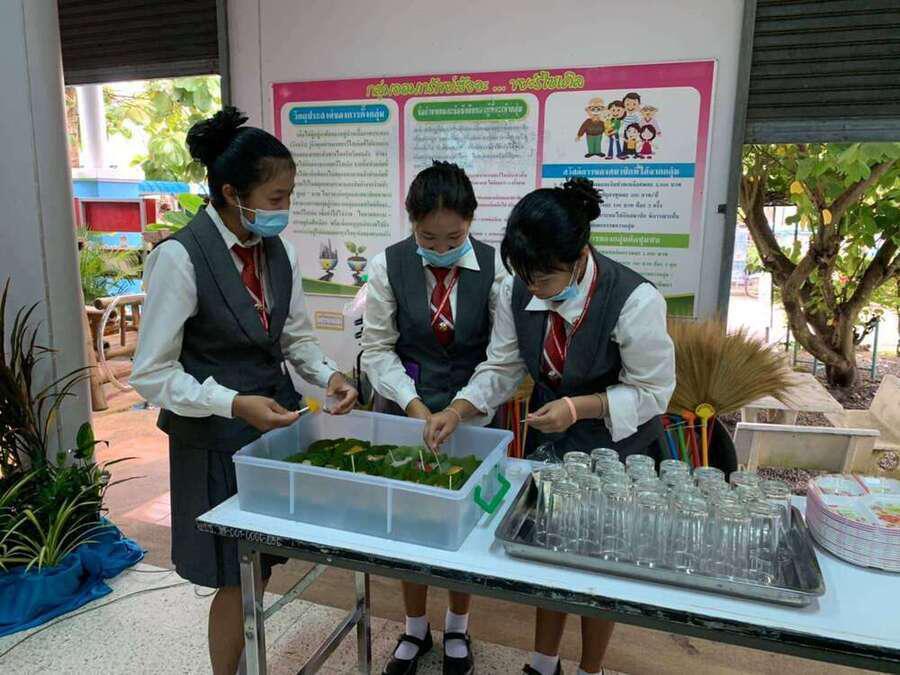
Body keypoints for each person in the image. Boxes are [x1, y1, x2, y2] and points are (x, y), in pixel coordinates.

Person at [131, 106, 358, 675]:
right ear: (232, 193)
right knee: (231, 574)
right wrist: (230, 403)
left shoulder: (276, 251)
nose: (286, 208)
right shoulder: (180, 258)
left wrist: (329, 375)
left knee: (257, 564)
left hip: (269, 432)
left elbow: (294, 337)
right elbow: (152, 374)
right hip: (212, 441)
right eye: (277, 197)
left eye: (289, 195)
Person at [424, 178, 675, 675]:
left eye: (543, 279)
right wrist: (458, 409)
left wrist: (579, 407)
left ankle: (590, 668)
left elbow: (653, 393)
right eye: (525, 277)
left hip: (617, 448)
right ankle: (543, 663)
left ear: (579, 257)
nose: (533, 289)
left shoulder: (634, 300)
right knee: (549, 553)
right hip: (552, 440)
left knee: (601, 568)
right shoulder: (515, 288)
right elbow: (502, 367)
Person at [361, 160, 506, 675]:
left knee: (465, 522)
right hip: (408, 408)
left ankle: (458, 627)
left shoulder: (496, 268)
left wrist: (459, 408)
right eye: (429, 237)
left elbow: (503, 357)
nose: (441, 248)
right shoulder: (388, 266)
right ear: (411, 221)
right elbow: (377, 349)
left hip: (473, 411)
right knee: (409, 520)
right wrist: (415, 405)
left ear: (471, 222)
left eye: (454, 238)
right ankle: (415, 627)